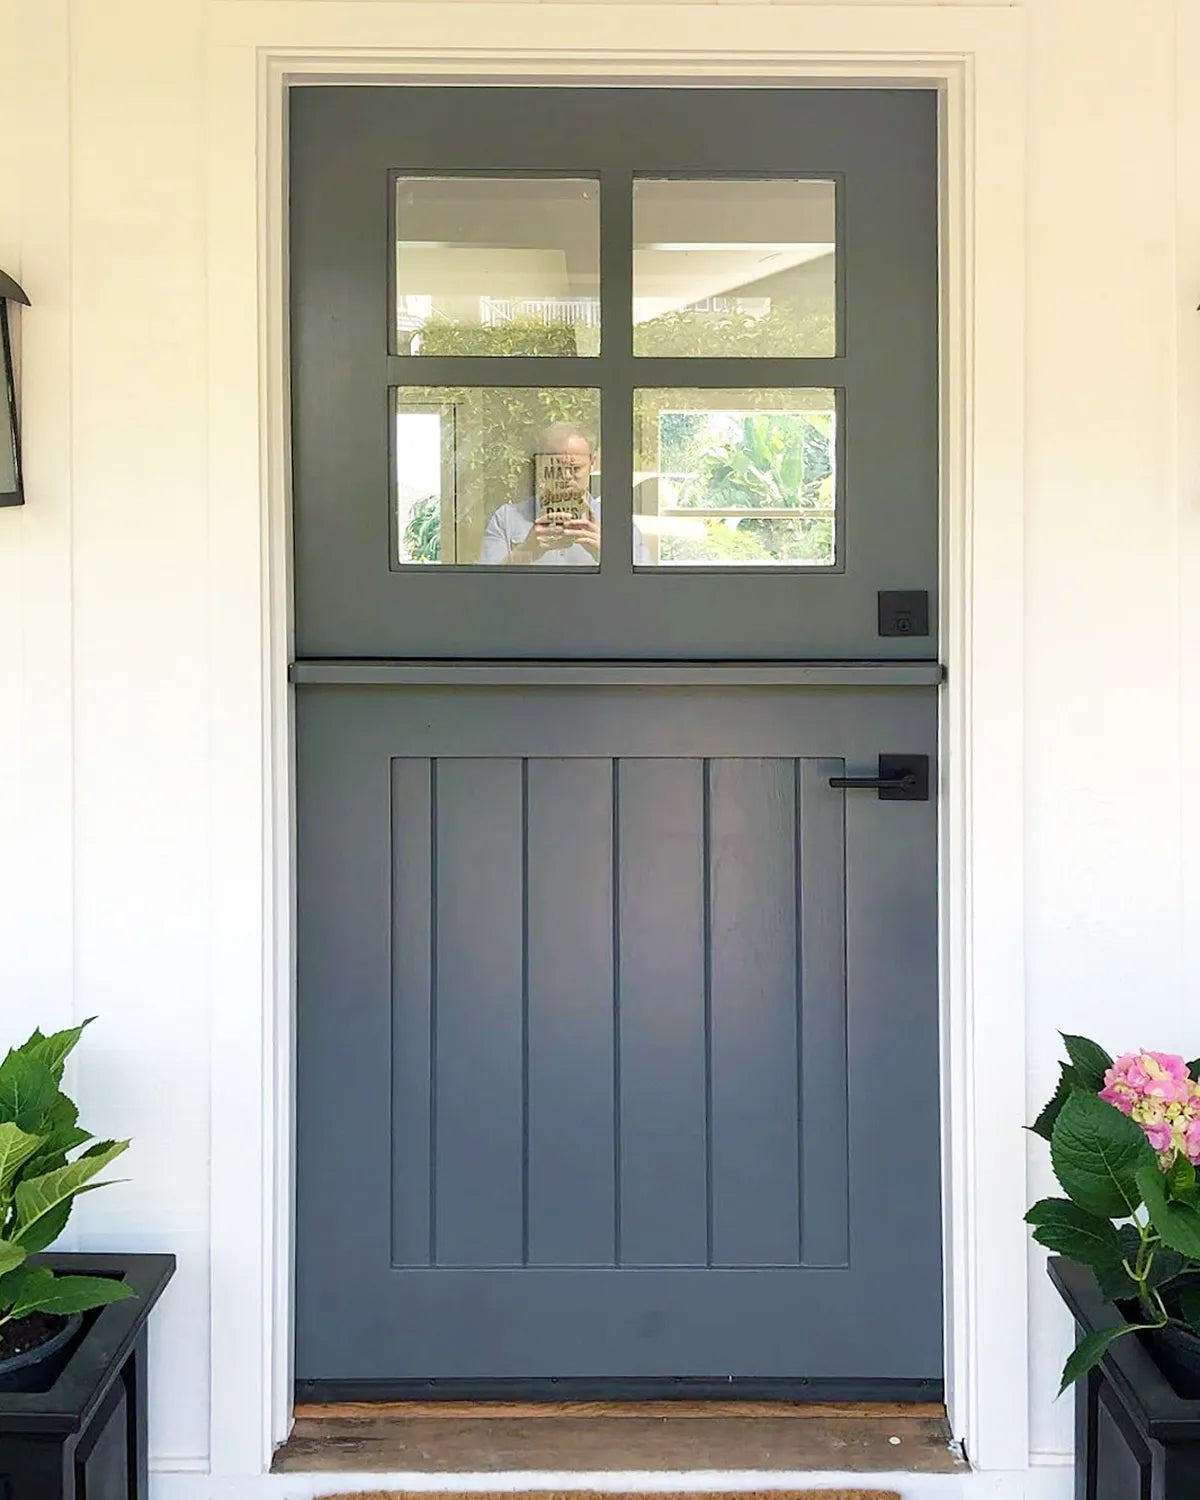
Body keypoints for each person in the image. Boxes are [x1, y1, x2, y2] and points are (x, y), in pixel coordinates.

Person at [476, 423, 606, 566]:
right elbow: (486, 583)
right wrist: (527, 550)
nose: (565, 476)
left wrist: (605, 554)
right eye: (556, 468)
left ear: (592, 463)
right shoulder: (506, 519)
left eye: (575, 468)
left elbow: (633, 582)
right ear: (541, 466)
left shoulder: (616, 522)